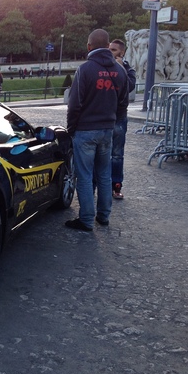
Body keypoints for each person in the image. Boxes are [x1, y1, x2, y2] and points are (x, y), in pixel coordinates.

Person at [65, 29, 129, 231]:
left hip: (85, 130)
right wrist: (112, 121)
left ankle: (85, 219)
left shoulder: (85, 70)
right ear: (108, 45)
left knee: (84, 176)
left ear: (89, 46)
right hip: (107, 130)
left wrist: (71, 128)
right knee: (104, 173)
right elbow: (123, 103)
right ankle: (104, 215)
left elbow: (74, 104)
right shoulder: (120, 71)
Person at [108, 38, 137, 200]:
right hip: (104, 116)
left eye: (113, 50)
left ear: (122, 52)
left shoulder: (127, 69)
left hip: (119, 117)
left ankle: (116, 185)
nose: (110, 52)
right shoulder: (104, 66)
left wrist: (120, 68)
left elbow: (130, 86)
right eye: (109, 49)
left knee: (117, 154)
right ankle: (100, 185)